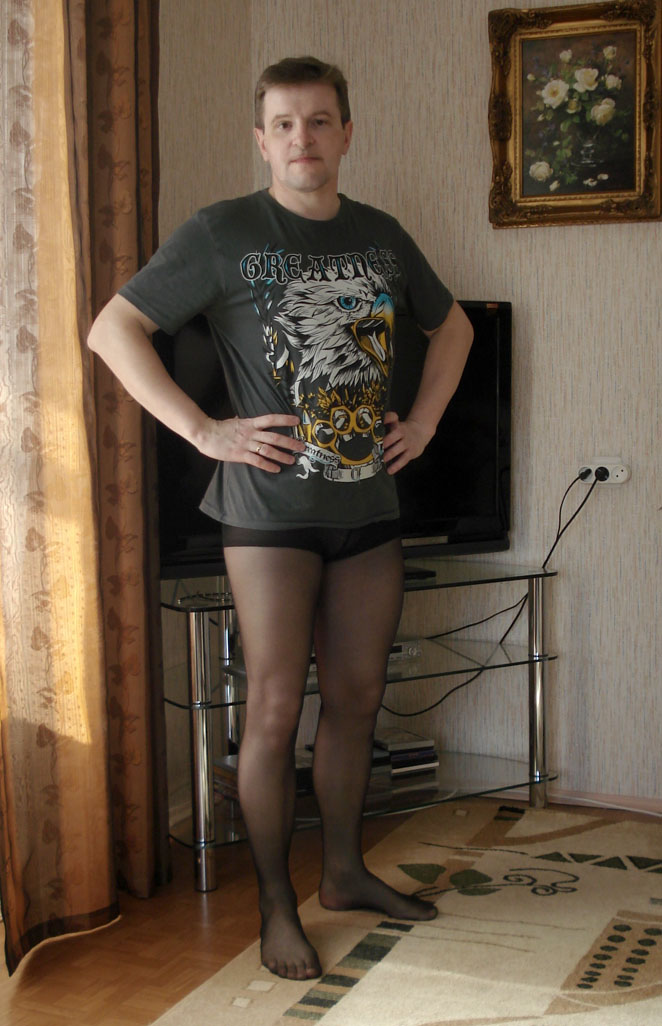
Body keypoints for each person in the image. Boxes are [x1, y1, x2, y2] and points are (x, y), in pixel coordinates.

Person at [88, 56, 473, 981]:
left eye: (321, 120)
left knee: (357, 700)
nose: (305, 138)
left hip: (368, 508)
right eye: (286, 124)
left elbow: (453, 327)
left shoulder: (382, 235)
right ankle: (275, 907)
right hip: (268, 514)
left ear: (347, 134)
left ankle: (343, 873)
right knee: (271, 709)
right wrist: (204, 431)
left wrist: (423, 422)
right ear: (262, 140)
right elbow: (112, 330)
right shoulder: (222, 231)